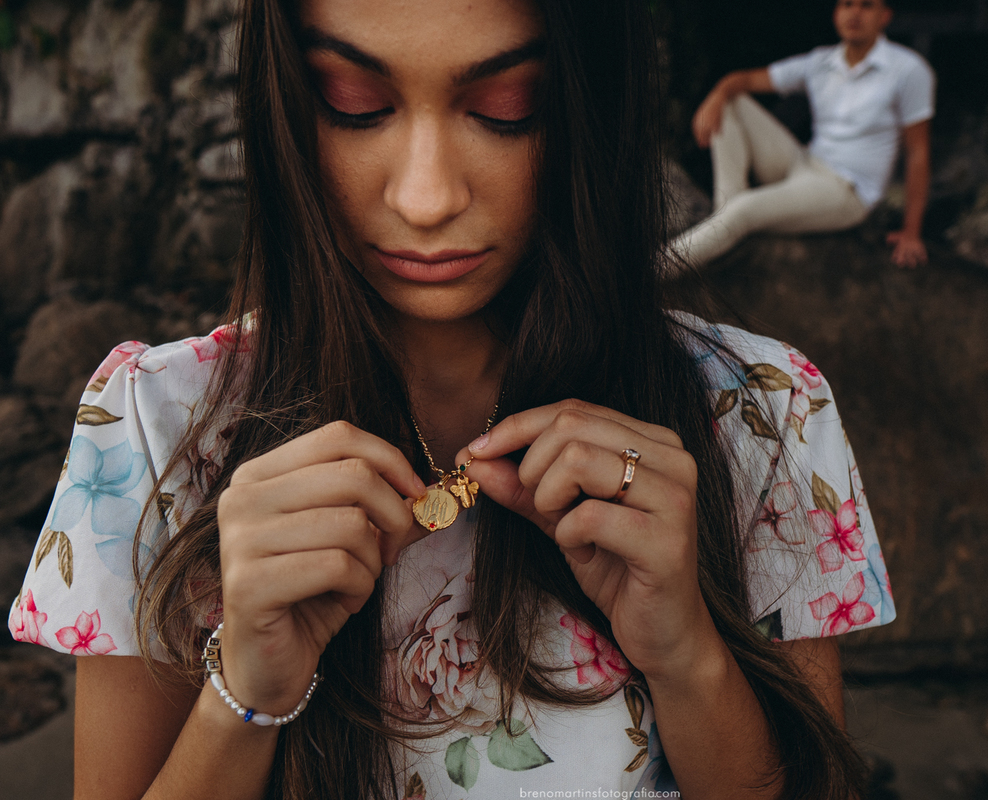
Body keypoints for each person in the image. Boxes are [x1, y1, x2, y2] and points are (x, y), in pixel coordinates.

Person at [7, 0, 895, 797]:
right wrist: (245, 692)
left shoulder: (761, 414)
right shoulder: (157, 424)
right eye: (355, 104)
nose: (426, 198)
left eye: (508, 108)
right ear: (285, 104)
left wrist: (688, 654)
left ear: (592, 104)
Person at [671, 0, 935, 270]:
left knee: (744, 209)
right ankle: (724, 217)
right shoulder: (821, 61)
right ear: (836, 13)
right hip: (804, 162)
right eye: (847, 4)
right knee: (731, 102)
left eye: (866, 5)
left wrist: (912, 232)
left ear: (885, 16)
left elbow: (917, 152)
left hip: (846, 189)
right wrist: (716, 96)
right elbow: (746, 80)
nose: (855, 13)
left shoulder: (909, 69)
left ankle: (654, 272)